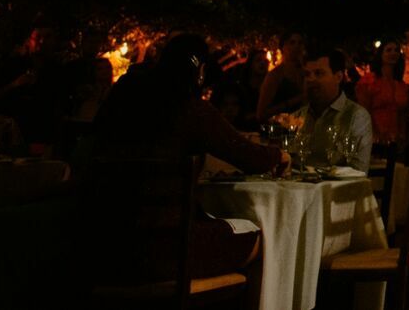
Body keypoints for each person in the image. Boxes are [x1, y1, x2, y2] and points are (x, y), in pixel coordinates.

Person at [88, 34, 283, 282]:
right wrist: (281, 154)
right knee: (267, 238)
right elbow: (253, 158)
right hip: (167, 250)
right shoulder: (189, 109)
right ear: (199, 71)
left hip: (102, 245)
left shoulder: (119, 101)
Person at [287, 43, 374, 172]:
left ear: (338, 77)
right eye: (307, 74)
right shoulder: (298, 117)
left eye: (318, 73)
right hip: (298, 190)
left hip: (334, 191)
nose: (311, 79)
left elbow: (358, 172)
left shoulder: (356, 116)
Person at [354, 42, 409, 149]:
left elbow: (403, 114)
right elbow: (363, 112)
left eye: (396, 50)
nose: (393, 53)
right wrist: (374, 135)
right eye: (389, 50)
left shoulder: (402, 86)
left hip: (396, 142)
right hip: (374, 141)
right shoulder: (369, 82)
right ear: (381, 54)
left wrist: (403, 136)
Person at [254, 33, 305, 123]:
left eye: (300, 43)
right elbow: (261, 114)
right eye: (292, 42)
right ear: (283, 47)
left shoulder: (306, 72)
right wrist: (295, 100)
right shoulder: (275, 75)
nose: (296, 46)